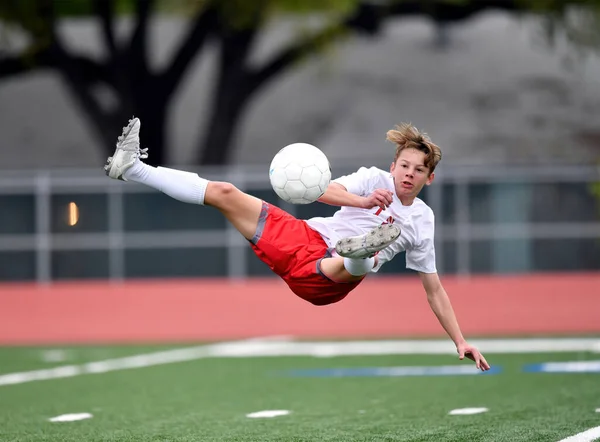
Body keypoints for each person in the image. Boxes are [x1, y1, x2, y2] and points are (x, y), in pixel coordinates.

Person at [104, 118, 490, 371]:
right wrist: (362, 201)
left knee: (361, 259)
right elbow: (322, 191)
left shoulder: (422, 221)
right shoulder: (373, 179)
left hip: (328, 280)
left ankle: (358, 252)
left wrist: (461, 341)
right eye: (404, 165)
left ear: (430, 178)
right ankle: (132, 168)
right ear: (393, 166)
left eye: (419, 169)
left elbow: (434, 289)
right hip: (302, 240)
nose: (409, 173)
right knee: (223, 192)